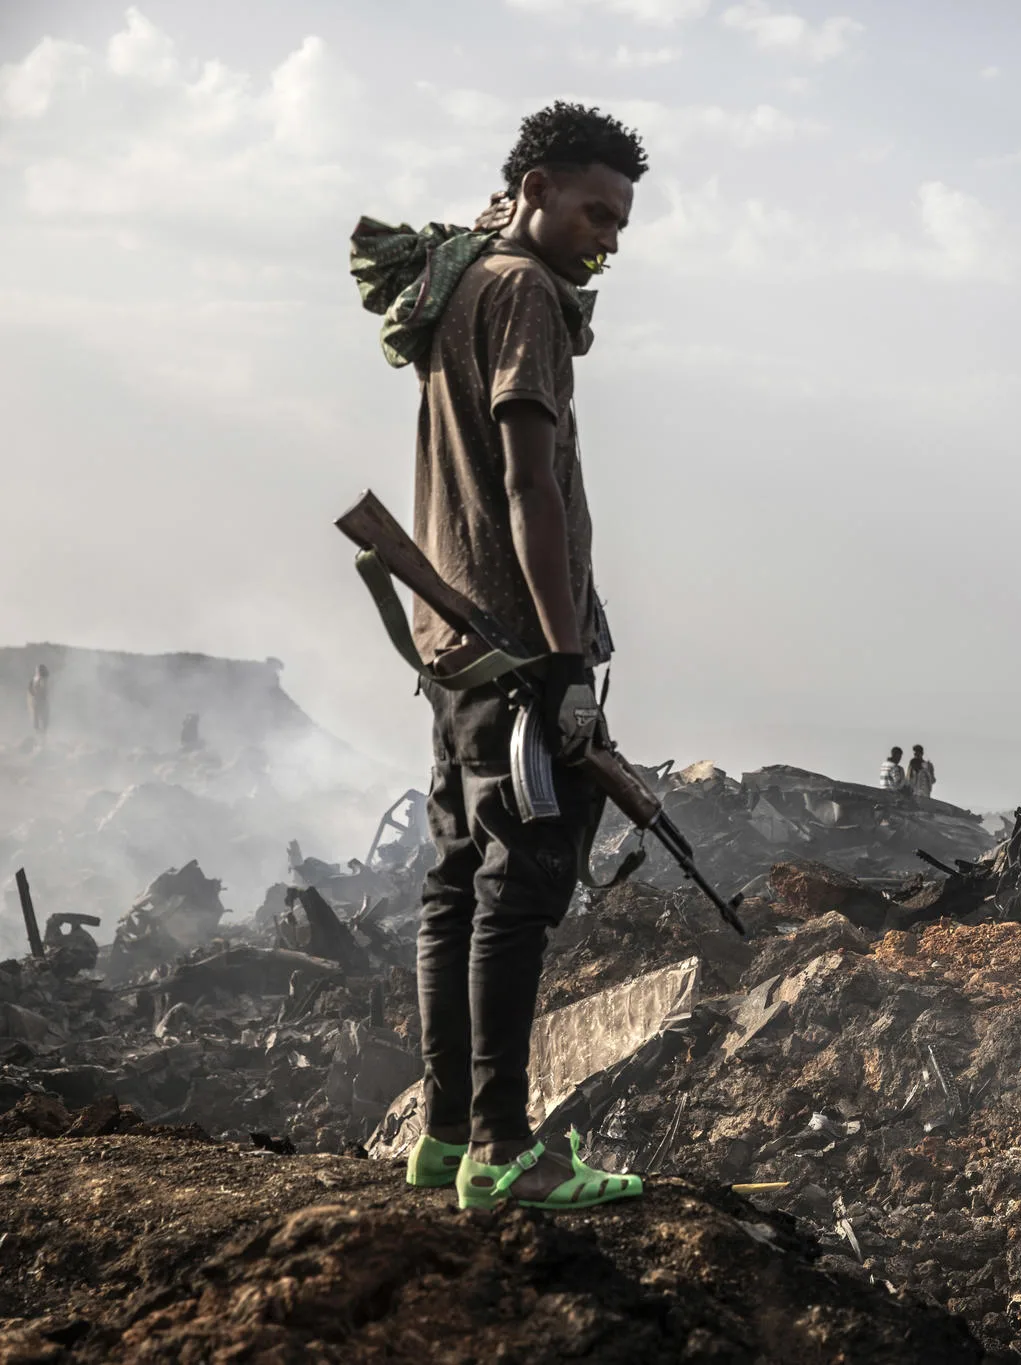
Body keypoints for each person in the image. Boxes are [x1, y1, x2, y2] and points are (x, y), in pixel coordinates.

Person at [401, 102, 648, 1210]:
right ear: (537, 186)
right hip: (515, 649)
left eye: (622, 219)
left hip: (454, 644)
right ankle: (507, 1150)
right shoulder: (526, 294)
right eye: (597, 209)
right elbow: (526, 482)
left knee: (454, 883)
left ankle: (446, 1139)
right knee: (519, 890)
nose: (610, 235)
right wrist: (561, 662)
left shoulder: (459, 283)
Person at [25, 664, 48, 742]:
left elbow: (43, 690)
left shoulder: (43, 679)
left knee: (42, 719)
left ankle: (42, 735)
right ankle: (38, 735)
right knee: (36, 719)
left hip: (40, 702)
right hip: (35, 702)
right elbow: (30, 689)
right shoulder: (35, 679)